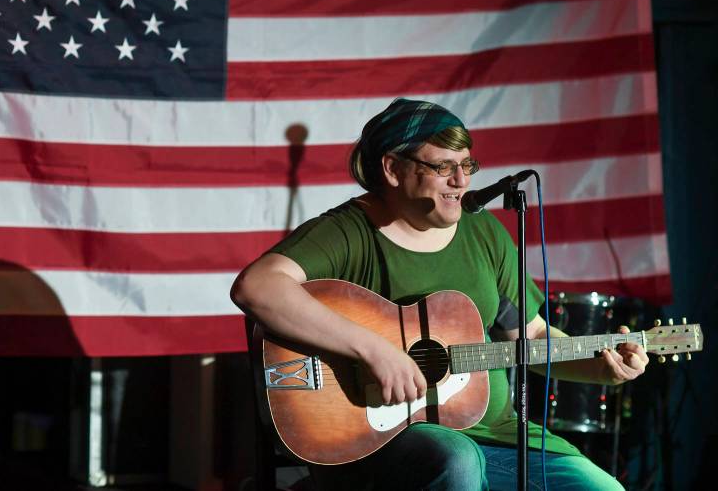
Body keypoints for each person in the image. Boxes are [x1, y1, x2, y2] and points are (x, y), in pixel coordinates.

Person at [230, 98, 648, 490]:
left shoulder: (484, 233)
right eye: (444, 166)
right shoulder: (350, 231)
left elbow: (530, 338)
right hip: (380, 437)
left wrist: (602, 370)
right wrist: (375, 351)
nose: (461, 181)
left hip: (498, 436)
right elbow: (257, 287)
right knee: (457, 460)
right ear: (392, 168)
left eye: (467, 165)